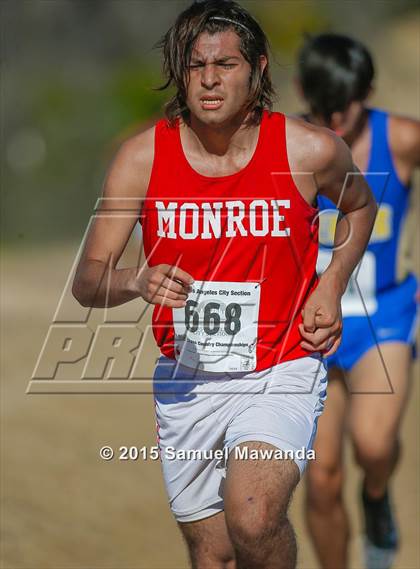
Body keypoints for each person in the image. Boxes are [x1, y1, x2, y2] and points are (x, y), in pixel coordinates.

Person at [72, 4, 376, 568]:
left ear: (258, 69)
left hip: (281, 364)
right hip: (188, 380)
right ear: (179, 71)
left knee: (254, 517)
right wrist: (136, 279)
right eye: (196, 65)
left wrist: (332, 283)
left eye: (226, 64)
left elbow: (360, 206)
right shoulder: (141, 158)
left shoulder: (307, 150)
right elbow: (87, 281)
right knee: (214, 553)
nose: (210, 79)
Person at [297, 33, 420, 569]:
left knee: (372, 446)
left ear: (366, 90)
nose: (333, 118)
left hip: (384, 316)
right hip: (309, 325)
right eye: (321, 105)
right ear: (304, 91)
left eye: (343, 106)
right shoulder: (288, 142)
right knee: (321, 479)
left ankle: (376, 497)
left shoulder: (405, 139)